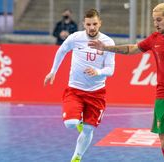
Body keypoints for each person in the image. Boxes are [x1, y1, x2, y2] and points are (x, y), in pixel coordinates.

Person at [88, 3, 164, 162]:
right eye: (154, 20)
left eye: (159, 20)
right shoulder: (154, 38)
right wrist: (107, 48)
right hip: (163, 96)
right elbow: (132, 49)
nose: (156, 24)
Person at [44, 9, 115, 162]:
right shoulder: (75, 38)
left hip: (96, 93)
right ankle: (79, 122)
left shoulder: (108, 42)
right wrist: (53, 71)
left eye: (95, 24)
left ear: (100, 23)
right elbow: (62, 51)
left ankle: (77, 157)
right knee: (71, 124)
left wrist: (98, 71)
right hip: (75, 90)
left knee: (89, 130)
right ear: (84, 24)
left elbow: (110, 70)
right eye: (88, 24)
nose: (92, 27)